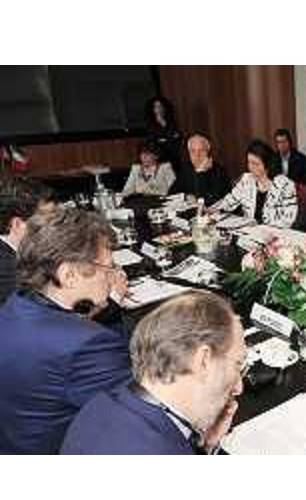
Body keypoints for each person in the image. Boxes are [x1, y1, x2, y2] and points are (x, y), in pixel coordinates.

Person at [0, 208, 132, 454]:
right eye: (108, 268)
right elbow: (141, 412)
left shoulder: (17, 303)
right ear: (68, 275)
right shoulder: (89, 344)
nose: (114, 276)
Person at [61, 291, 246, 455]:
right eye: (237, 365)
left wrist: (204, 447)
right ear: (203, 360)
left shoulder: (99, 404)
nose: (239, 387)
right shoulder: (160, 451)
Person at [210, 139, 297, 227]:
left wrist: (262, 226)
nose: (251, 167)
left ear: (267, 164)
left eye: (256, 164)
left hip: (274, 232)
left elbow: (288, 219)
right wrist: (210, 210)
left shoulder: (285, 185)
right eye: (249, 162)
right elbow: (229, 201)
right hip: (250, 231)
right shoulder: (246, 180)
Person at [0, 175, 57, 305]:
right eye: (48, 220)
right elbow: (43, 308)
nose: (55, 226)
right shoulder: (6, 270)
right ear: (17, 224)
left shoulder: (24, 249)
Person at [173, 134, 231, 206]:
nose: (197, 155)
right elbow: (171, 194)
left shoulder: (218, 172)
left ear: (208, 152)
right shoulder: (186, 169)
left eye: (201, 150)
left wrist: (200, 172)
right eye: (193, 151)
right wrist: (185, 196)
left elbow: (206, 201)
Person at [144, 96, 183, 173]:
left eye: (160, 106)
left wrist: (166, 138)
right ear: (152, 109)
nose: (159, 109)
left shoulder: (171, 122)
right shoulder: (150, 126)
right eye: (156, 107)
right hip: (160, 162)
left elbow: (177, 138)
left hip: (175, 160)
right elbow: (152, 144)